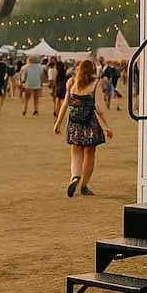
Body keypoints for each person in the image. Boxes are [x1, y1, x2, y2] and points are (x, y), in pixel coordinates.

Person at [53, 59, 114, 197]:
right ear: (93, 70)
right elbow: (99, 109)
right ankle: (84, 185)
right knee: (89, 154)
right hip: (90, 123)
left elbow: (65, 105)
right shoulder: (95, 84)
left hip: (74, 123)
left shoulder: (71, 82)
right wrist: (107, 126)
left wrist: (57, 123)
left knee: (75, 153)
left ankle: (75, 176)